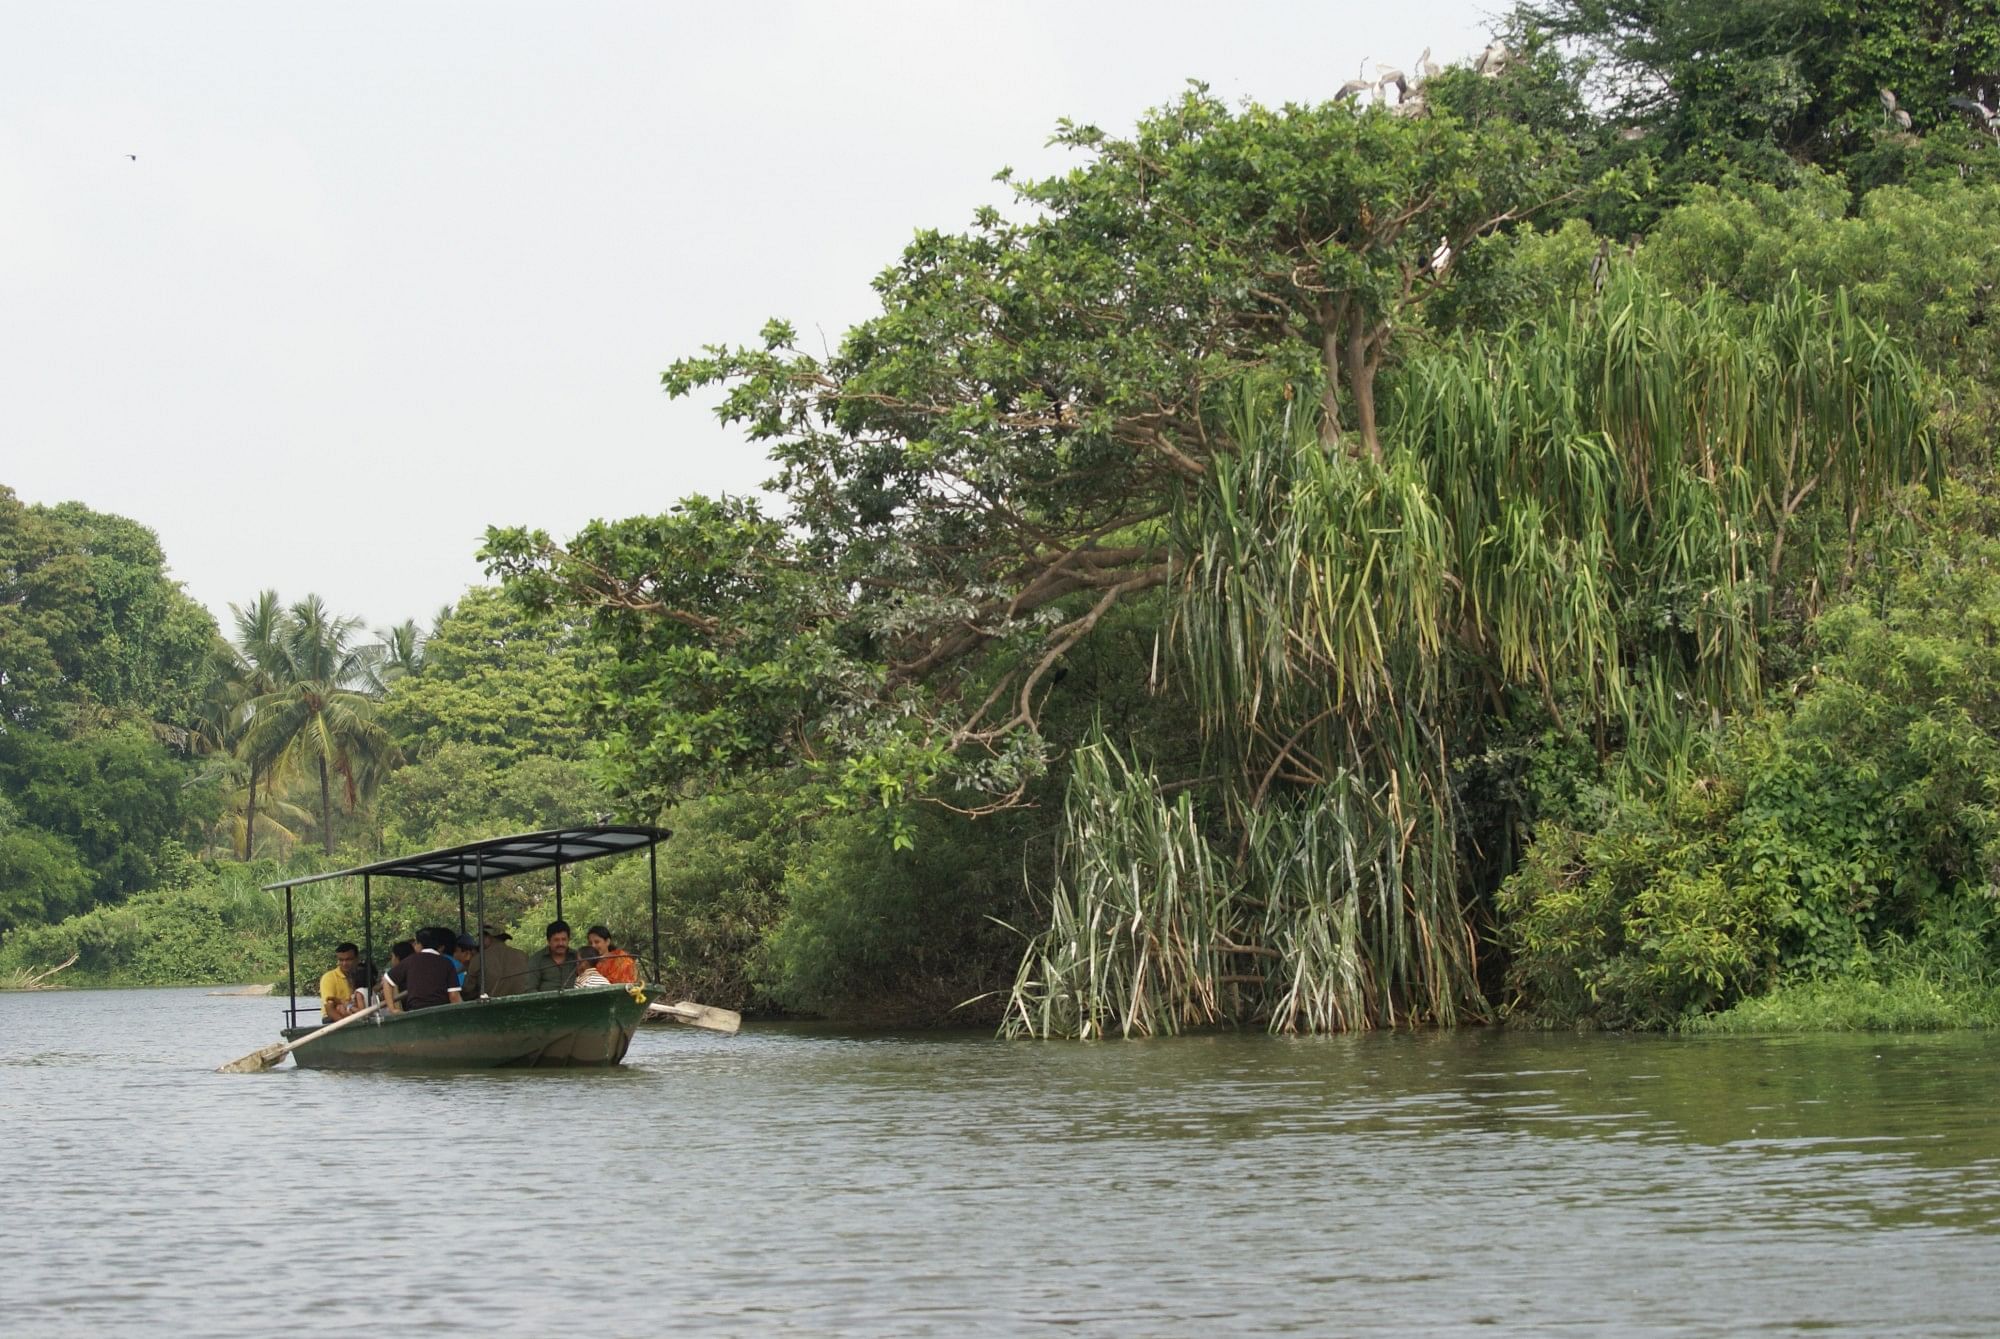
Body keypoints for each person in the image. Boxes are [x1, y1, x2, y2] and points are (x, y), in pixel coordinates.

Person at [384, 929, 461, 1011]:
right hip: (441, 1012)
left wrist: (392, 1009)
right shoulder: (446, 963)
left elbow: (387, 980)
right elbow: (454, 996)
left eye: (416, 943)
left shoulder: (410, 961)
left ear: (420, 945)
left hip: (415, 1012)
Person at [478, 924, 532, 998]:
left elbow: (468, 990)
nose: (480, 942)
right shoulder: (522, 955)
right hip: (522, 1002)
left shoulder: (479, 958)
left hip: (493, 1006)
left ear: (489, 938)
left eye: (482, 938)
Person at [526, 919, 581, 992]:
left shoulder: (577, 957)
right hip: (546, 1001)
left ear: (568, 940)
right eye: (556, 940)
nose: (560, 944)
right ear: (548, 941)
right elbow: (530, 989)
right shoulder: (537, 959)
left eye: (564, 939)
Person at [318, 943, 362, 1022]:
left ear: (357, 959)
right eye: (341, 960)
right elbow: (329, 1009)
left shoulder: (360, 976)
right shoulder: (329, 977)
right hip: (334, 1020)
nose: (344, 963)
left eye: (348, 959)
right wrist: (346, 1025)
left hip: (354, 1015)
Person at [379, 940, 416, 1012]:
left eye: (392, 956)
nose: (392, 960)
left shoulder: (395, 979)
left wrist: (392, 1009)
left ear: (397, 958)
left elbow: (386, 981)